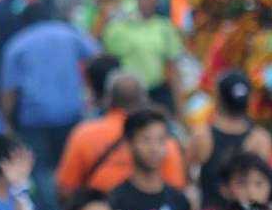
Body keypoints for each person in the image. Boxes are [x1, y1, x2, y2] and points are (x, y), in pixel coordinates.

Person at [0, 3, 99, 210]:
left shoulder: (17, 43)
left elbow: (8, 90)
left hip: (34, 117)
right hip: (71, 113)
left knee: (41, 170)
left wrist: (7, 122)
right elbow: (96, 57)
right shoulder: (69, 33)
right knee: (70, 167)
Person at [56, 70, 186, 197]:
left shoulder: (84, 134)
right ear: (145, 100)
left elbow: (66, 189)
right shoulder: (163, 140)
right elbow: (177, 187)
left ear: (108, 100)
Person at [189, 70, 272, 209]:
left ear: (218, 98)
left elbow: (187, 181)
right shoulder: (261, 139)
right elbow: (262, 185)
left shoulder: (201, 136)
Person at [102, 0, 184, 109]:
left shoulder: (164, 27)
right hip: (127, 98)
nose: (140, 2)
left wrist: (180, 108)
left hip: (157, 94)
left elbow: (173, 68)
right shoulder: (118, 28)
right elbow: (106, 55)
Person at [108, 107, 191, 210]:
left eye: (161, 140)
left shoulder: (179, 201)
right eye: (146, 140)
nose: (154, 148)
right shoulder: (116, 201)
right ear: (129, 143)